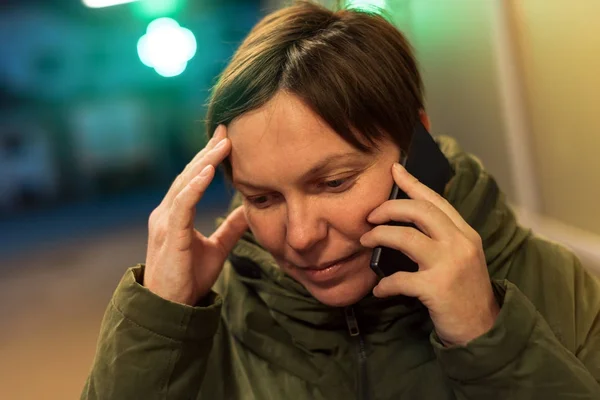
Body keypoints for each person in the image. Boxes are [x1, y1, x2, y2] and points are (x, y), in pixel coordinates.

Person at [81, 2, 600, 399]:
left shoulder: (552, 284)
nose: (302, 236)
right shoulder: (207, 320)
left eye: (334, 182)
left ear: (417, 141)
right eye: (262, 198)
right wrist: (160, 321)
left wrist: (488, 340)